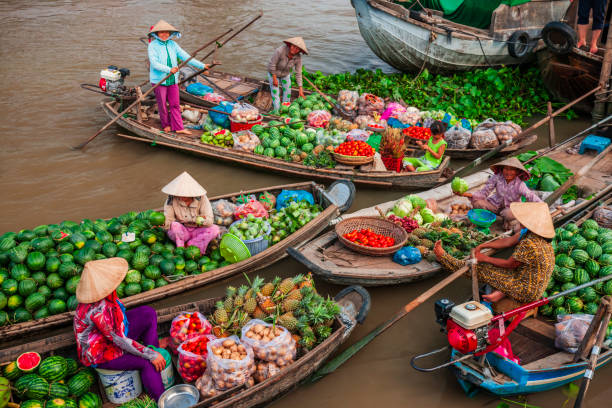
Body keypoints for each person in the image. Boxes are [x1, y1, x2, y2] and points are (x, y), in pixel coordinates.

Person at [74, 258, 167, 400]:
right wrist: (150, 355)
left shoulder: (104, 296)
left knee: (147, 313)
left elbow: (116, 327)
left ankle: (153, 354)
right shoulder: (100, 310)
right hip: (101, 353)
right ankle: (161, 400)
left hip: (112, 335)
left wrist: (150, 351)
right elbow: (120, 340)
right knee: (147, 363)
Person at [433, 202, 555, 304]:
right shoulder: (534, 235)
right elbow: (507, 241)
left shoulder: (530, 243)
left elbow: (509, 264)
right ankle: (500, 293)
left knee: (479, 268)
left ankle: (443, 257)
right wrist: (483, 245)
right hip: (525, 280)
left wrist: (484, 258)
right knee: (492, 268)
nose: (519, 220)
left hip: (525, 290)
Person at [148, 20, 211, 135]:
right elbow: (154, 63)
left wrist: (202, 66)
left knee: (175, 104)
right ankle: (165, 124)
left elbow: (186, 57)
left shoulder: (173, 44)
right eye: (161, 32)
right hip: (159, 80)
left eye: (166, 32)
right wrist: (169, 69)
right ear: (156, 34)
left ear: (169, 33)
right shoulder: (153, 46)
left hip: (172, 79)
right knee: (162, 104)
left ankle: (178, 127)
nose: (164, 34)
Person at [455, 157, 541, 231]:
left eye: (512, 169)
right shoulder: (497, 177)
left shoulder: (520, 185)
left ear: (517, 172)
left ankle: (505, 221)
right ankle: (488, 220)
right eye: (506, 169)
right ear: (502, 169)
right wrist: (465, 194)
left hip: (510, 209)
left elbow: (530, 195)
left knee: (507, 214)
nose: (508, 172)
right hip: (495, 205)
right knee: (477, 203)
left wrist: (541, 205)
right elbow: (484, 192)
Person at [163, 171, 220, 254]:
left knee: (215, 230)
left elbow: (210, 220)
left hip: (198, 229)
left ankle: (192, 245)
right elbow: (169, 219)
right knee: (174, 226)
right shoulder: (171, 199)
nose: (180, 196)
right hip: (182, 231)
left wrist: (202, 220)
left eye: (184, 194)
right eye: (179, 193)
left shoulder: (202, 198)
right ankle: (181, 249)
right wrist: (163, 223)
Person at [267, 37, 308, 112]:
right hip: (273, 73)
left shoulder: (298, 58)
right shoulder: (280, 51)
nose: (294, 49)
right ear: (290, 45)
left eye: (297, 49)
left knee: (288, 92)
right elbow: (272, 65)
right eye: (293, 46)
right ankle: (277, 111)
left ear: (299, 50)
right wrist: (275, 79)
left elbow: (298, 73)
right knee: (276, 93)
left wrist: (300, 89)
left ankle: (285, 110)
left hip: (285, 74)